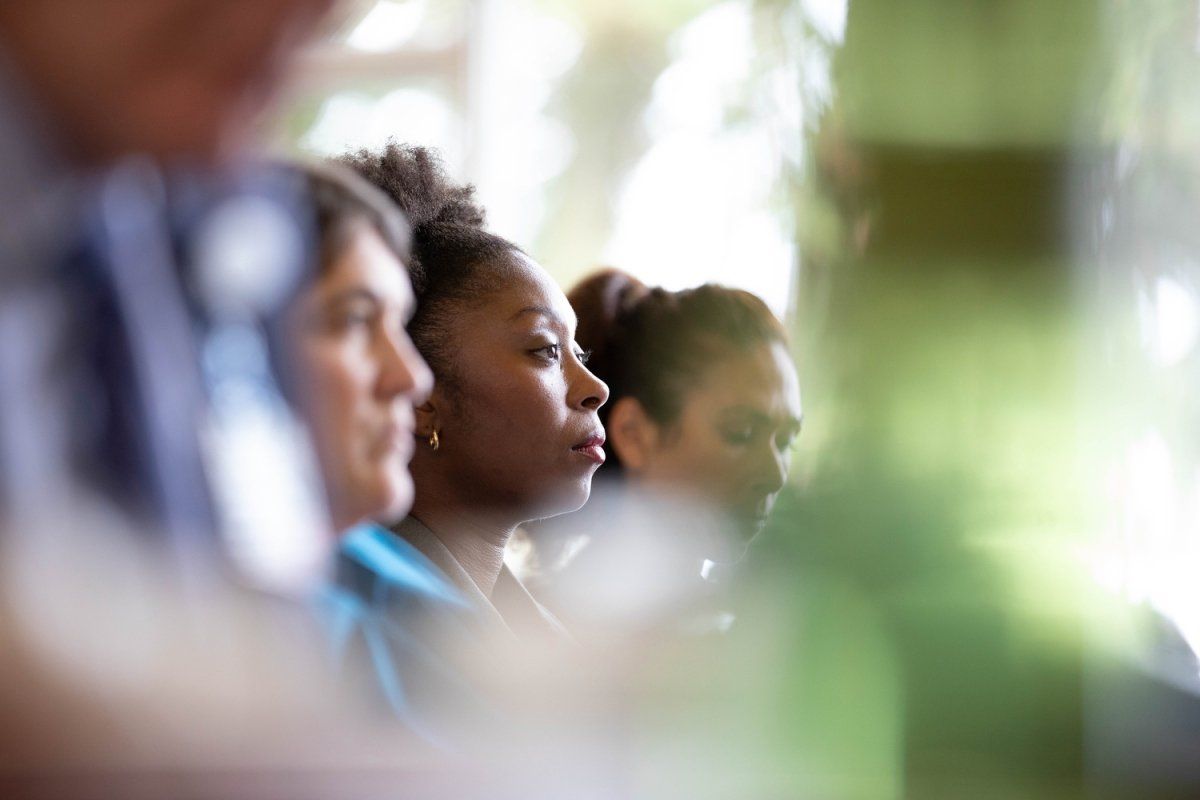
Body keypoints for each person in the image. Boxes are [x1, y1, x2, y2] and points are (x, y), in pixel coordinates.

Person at [340, 143, 609, 645]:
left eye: (582, 355)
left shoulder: (550, 644)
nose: (595, 389)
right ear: (419, 394)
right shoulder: (358, 631)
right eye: (546, 350)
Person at [520, 269, 802, 633]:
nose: (774, 475)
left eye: (785, 441)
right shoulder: (564, 635)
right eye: (741, 432)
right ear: (634, 435)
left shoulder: (720, 630)